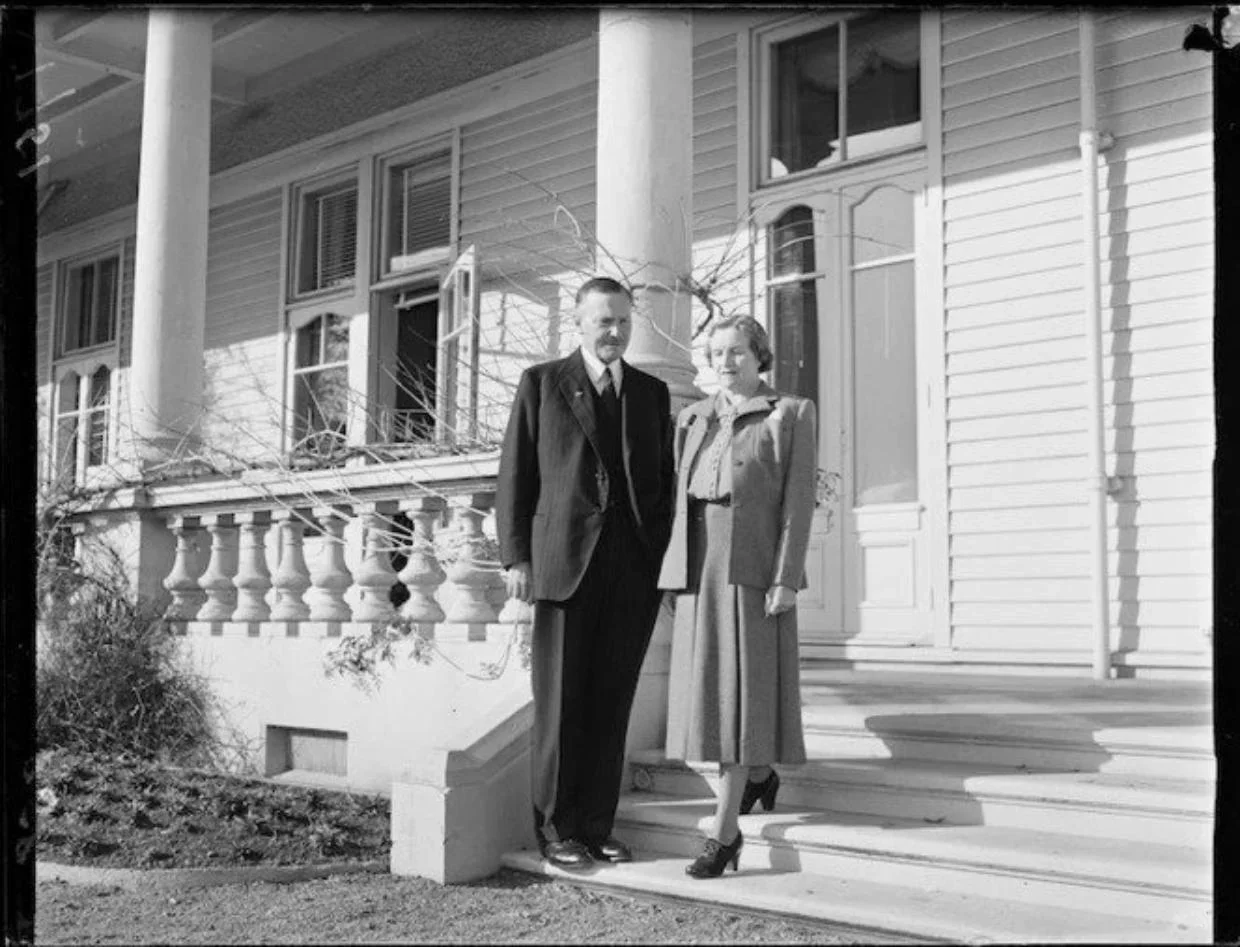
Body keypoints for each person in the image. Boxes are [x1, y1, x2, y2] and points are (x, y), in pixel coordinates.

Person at [495, 276, 674, 870]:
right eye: (603, 321)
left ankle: (597, 827)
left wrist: (661, 559)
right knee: (561, 704)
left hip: (632, 571)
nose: (614, 331)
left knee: (612, 701)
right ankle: (556, 830)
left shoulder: (650, 393)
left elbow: (663, 484)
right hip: (563, 565)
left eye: (623, 320)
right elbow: (515, 475)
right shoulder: (543, 383)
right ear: (578, 323)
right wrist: (516, 557)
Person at [657, 314, 816, 879]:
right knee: (711, 693)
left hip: (751, 565)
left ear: (759, 356)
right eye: (717, 352)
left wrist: (785, 577)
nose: (725, 362)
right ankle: (758, 775)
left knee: (737, 697)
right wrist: (673, 572)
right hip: (699, 565)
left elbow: (798, 501)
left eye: (737, 352)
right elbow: (677, 502)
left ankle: (724, 833)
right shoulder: (693, 417)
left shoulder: (789, 413)